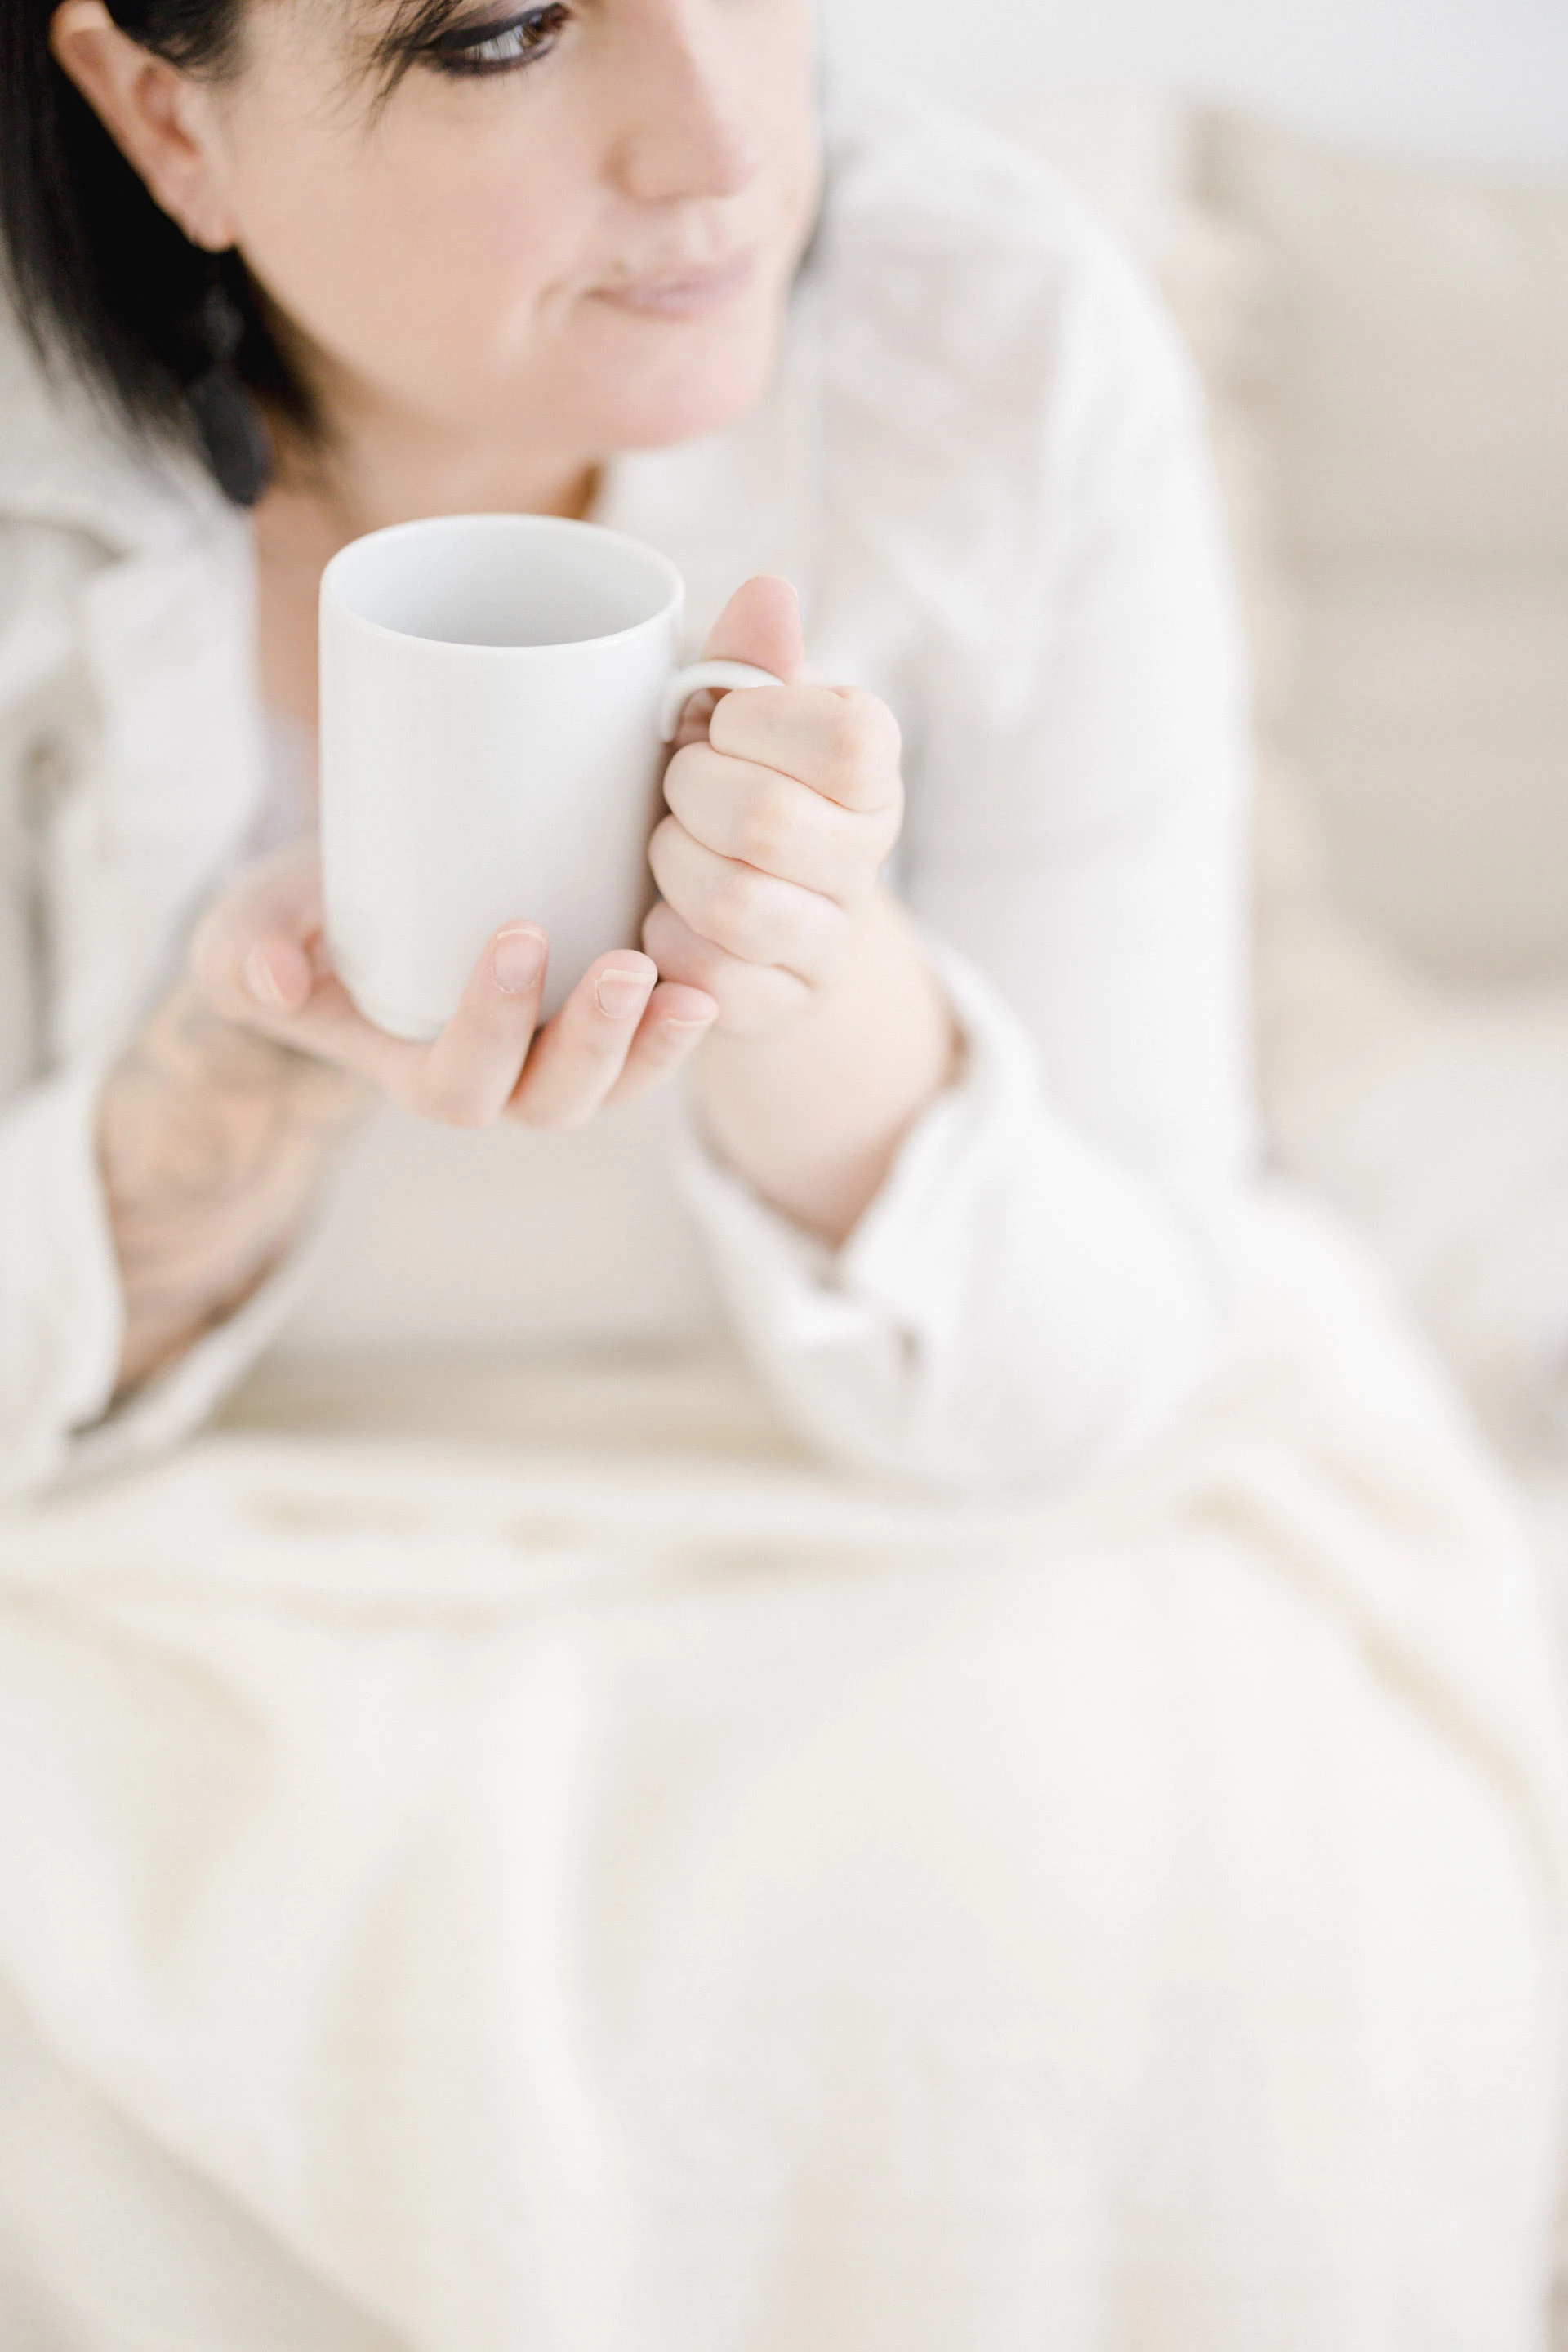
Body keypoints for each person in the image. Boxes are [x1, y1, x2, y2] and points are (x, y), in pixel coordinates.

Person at [0, 4, 1564, 2345]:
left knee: (1212, 1987)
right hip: (162, 1535)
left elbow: (1104, 1367)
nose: (730, 139)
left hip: (924, 1533)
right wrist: (212, 1102)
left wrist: (812, 980)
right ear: (161, 108)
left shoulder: (1001, 357)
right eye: (505, 30)